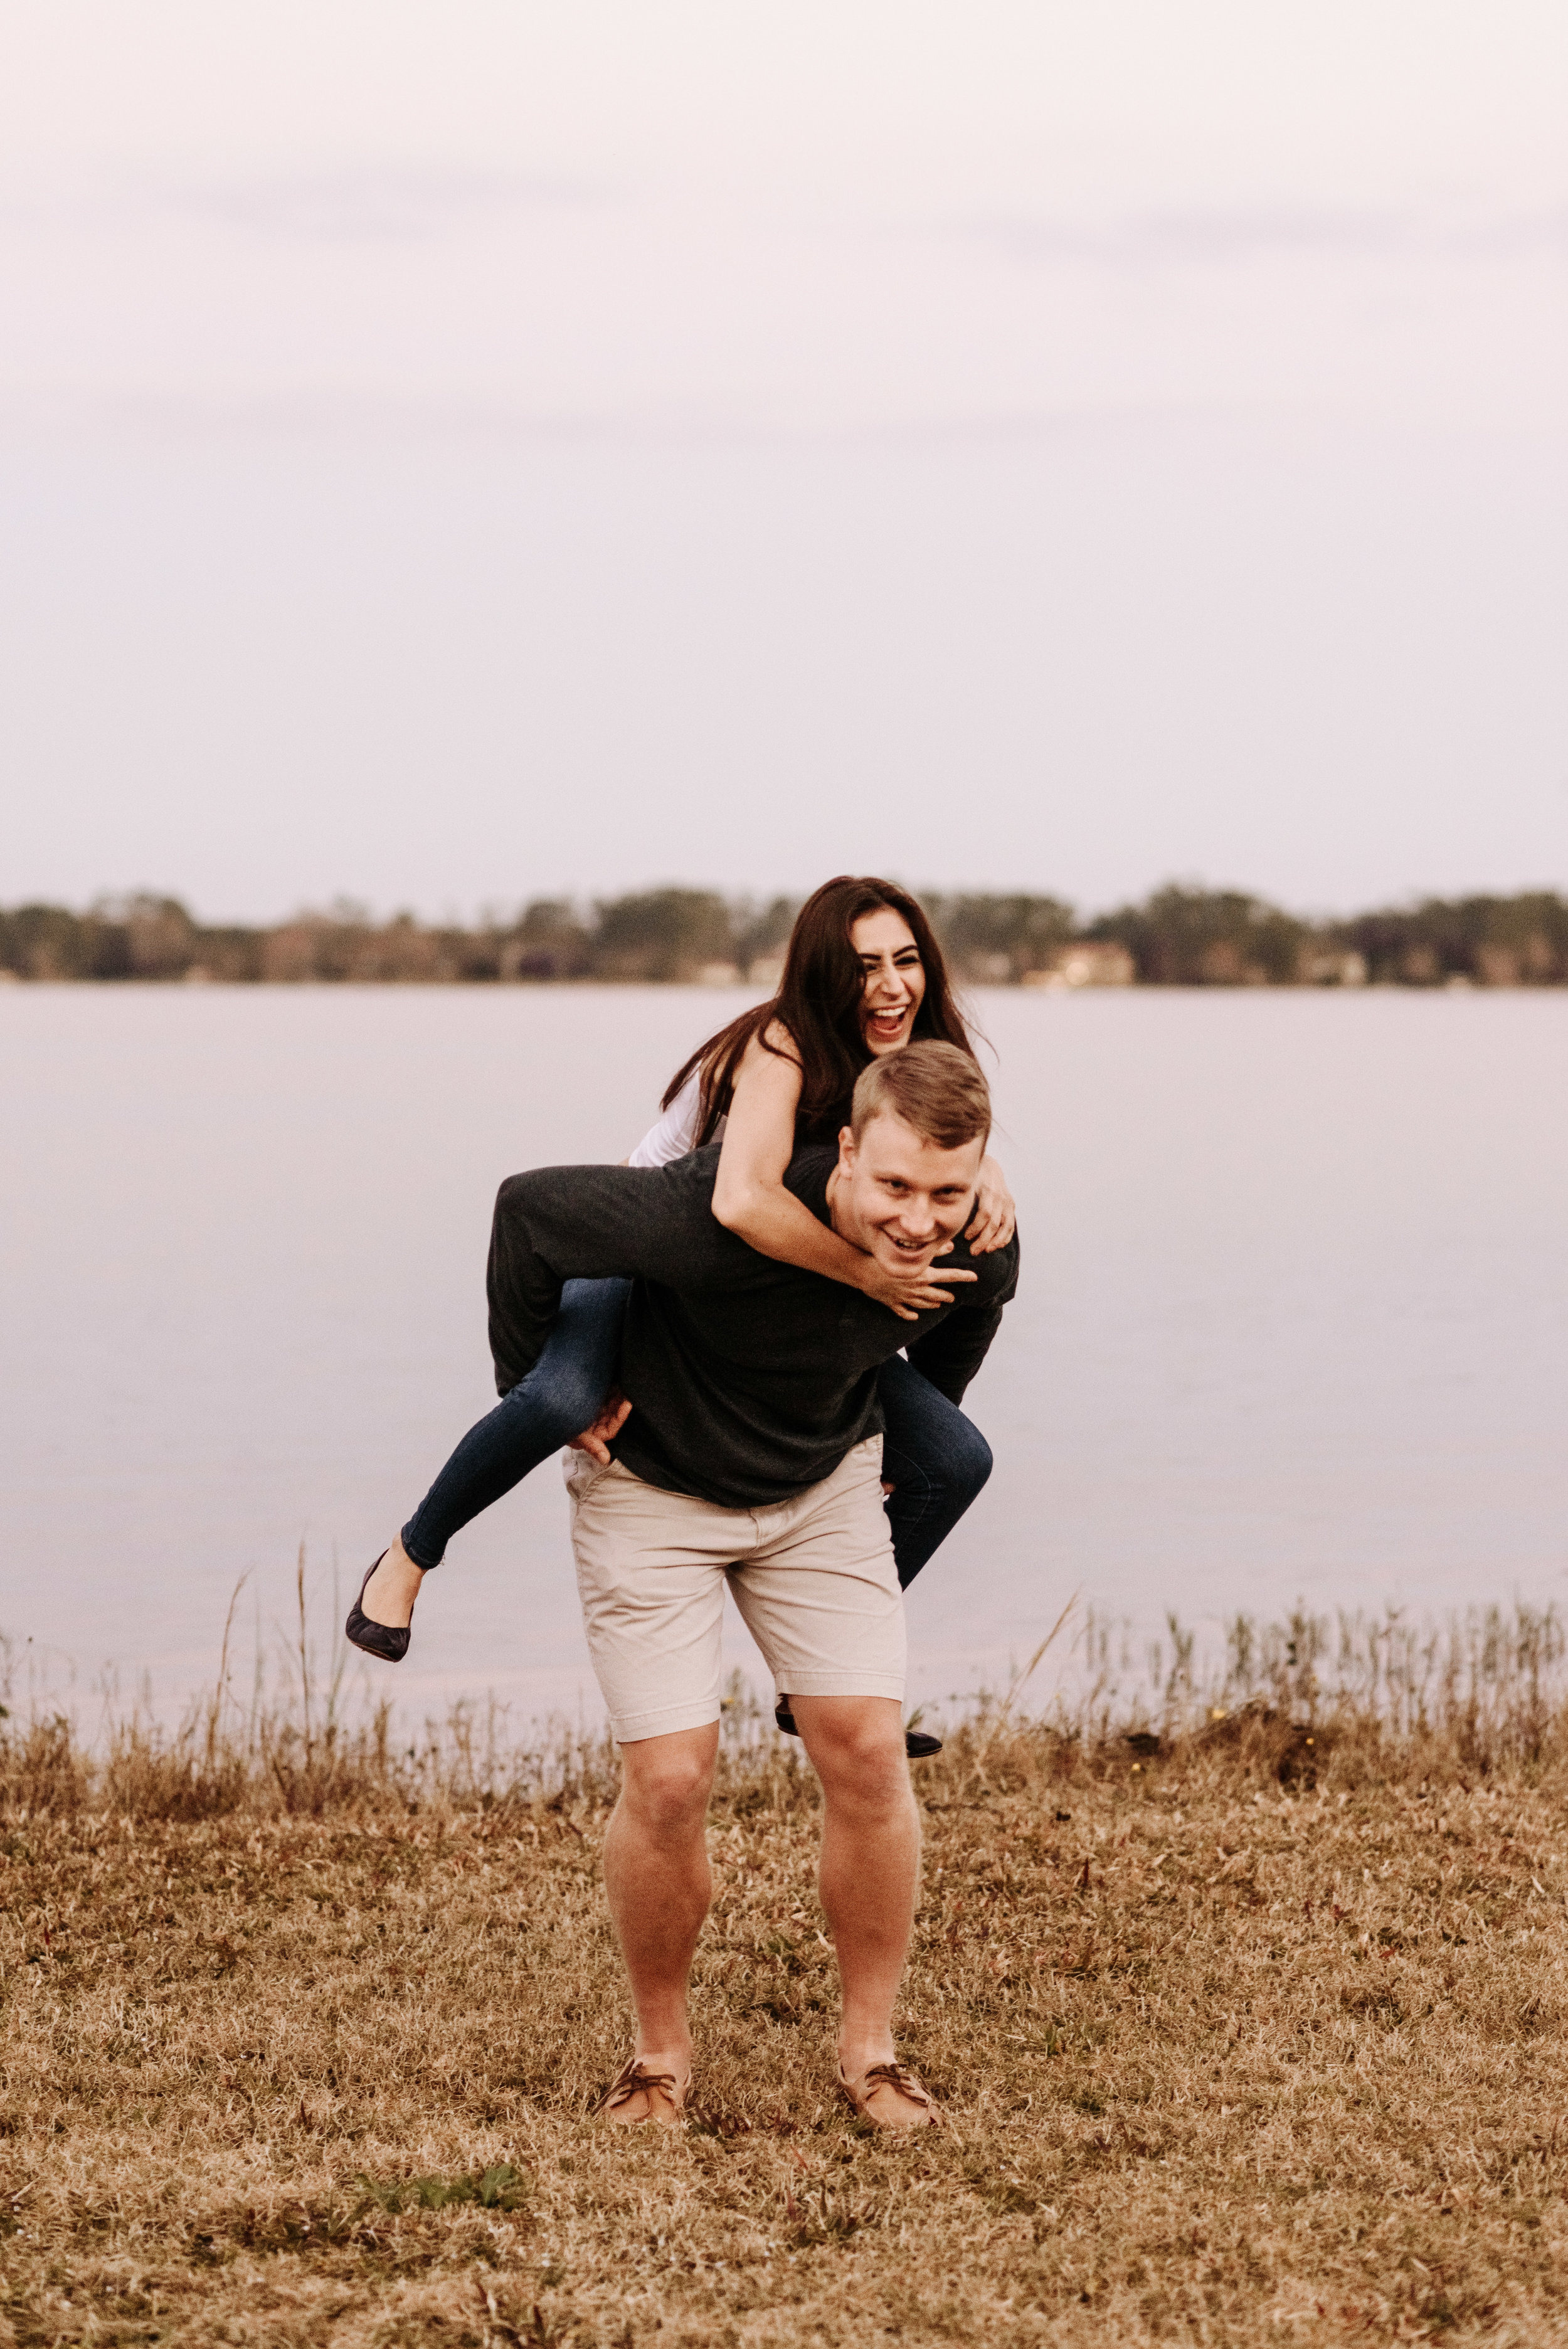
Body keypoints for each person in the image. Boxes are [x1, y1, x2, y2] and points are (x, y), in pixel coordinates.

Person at [482, 1041, 1019, 2127]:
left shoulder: (976, 1242)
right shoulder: (717, 1217)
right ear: (848, 1151)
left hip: (820, 1489)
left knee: (867, 1751)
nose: (921, 1220)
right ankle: (659, 2057)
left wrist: (888, 1431)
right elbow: (526, 1214)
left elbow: (963, 1322)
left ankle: (871, 2053)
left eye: (948, 1193)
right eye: (898, 1187)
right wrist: (547, 1393)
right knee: (673, 1780)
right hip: (655, 1487)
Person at [348, 880, 1016, 1693]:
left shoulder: (920, 1052)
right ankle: (410, 1555)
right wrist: (868, 1275)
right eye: (862, 965)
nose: (890, 983)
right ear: (819, 976)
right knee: (561, 1399)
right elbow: (741, 1200)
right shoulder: (783, 1045)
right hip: (644, 1255)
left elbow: (936, 1155)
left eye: (906, 960)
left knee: (951, 1456)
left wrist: (989, 1176)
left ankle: (827, 1671)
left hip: (773, 1293)